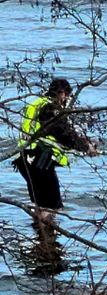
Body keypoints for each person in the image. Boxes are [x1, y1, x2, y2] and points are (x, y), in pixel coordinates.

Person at [13, 78, 97, 218]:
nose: (67, 101)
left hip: (25, 160)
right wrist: (86, 147)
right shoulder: (51, 108)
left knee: (40, 204)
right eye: (67, 97)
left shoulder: (37, 104)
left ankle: (40, 236)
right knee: (51, 206)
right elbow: (63, 133)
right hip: (40, 161)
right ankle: (47, 236)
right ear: (62, 93)